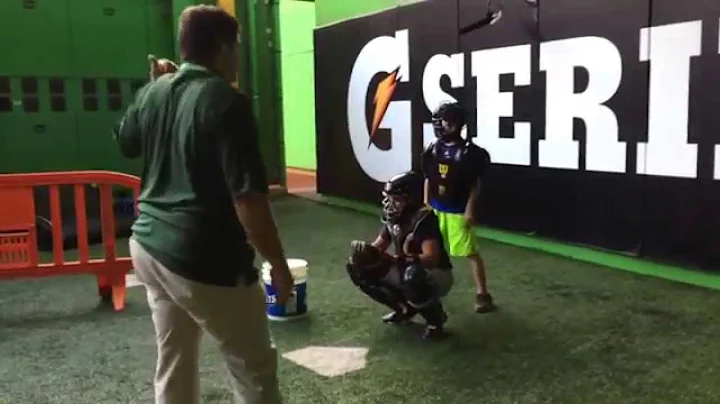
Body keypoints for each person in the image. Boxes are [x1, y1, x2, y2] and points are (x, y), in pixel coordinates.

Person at [113, 5, 291, 404]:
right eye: (238, 47)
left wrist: (152, 89)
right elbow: (248, 199)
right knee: (254, 367)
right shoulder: (227, 102)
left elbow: (125, 140)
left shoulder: (156, 90)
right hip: (200, 257)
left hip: (148, 250)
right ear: (223, 47)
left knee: (174, 357)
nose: (239, 57)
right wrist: (277, 263)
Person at [347, 171, 454, 340]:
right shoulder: (395, 218)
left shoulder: (423, 220)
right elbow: (379, 246)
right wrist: (366, 252)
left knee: (413, 276)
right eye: (389, 198)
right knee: (358, 267)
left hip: (436, 273)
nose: (390, 204)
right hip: (407, 267)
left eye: (396, 199)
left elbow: (431, 258)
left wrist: (405, 259)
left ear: (411, 199)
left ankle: (435, 320)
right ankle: (404, 309)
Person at [422, 101, 495, 313]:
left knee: (470, 253)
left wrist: (470, 209)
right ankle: (429, 288)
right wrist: (426, 203)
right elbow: (429, 178)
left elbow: (475, 184)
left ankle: (483, 294)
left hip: (457, 212)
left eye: (442, 121)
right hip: (436, 209)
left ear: (455, 124)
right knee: (432, 251)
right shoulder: (432, 149)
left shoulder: (471, 153)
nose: (438, 126)